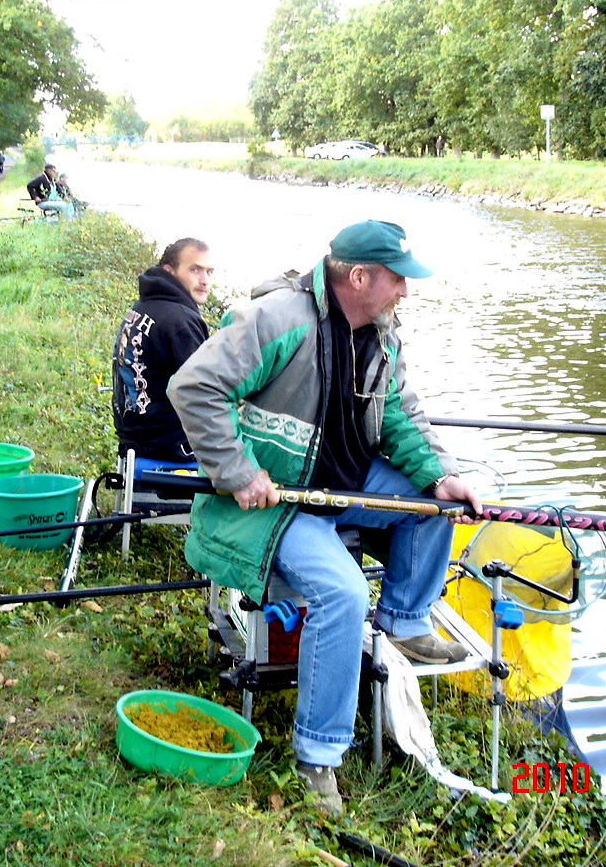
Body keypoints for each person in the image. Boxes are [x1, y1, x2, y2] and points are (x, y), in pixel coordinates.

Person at [169, 219, 483, 815]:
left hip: (342, 481)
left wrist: (442, 474)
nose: (405, 292)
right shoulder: (278, 319)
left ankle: (406, 621)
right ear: (359, 276)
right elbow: (195, 387)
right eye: (397, 279)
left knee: (434, 503)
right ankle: (319, 756)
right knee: (341, 593)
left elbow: (400, 414)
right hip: (276, 502)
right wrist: (238, 472)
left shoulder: (382, 333)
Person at [113, 238, 215, 465]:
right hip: (169, 446)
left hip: (134, 437)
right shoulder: (179, 321)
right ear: (170, 270)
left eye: (209, 272)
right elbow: (204, 393)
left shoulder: (144, 306)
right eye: (195, 270)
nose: (205, 280)